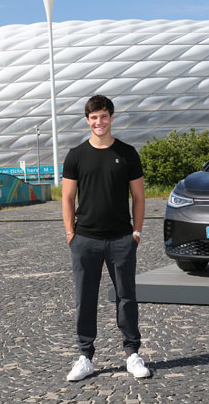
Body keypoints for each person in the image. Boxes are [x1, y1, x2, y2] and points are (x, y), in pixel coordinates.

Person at [62, 94, 150, 381]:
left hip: (121, 240)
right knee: (84, 299)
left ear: (111, 117)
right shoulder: (76, 155)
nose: (99, 122)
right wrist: (70, 234)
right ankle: (85, 356)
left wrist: (135, 233)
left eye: (103, 116)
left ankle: (132, 354)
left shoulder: (127, 153)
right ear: (87, 121)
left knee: (127, 297)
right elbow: (67, 198)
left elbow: (138, 197)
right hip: (85, 240)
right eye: (93, 117)